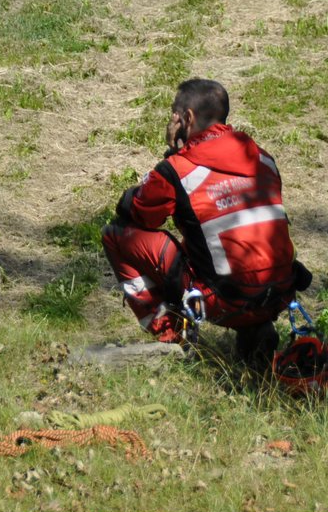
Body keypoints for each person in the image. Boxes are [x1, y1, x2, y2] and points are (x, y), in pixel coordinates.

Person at [101, 78, 310, 365]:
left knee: (117, 234)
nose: (172, 120)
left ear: (187, 117)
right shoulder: (263, 159)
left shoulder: (178, 169)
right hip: (279, 294)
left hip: (224, 301)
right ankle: (255, 332)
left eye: (174, 114)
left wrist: (173, 153)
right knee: (219, 244)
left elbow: (139, 213)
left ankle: (172, 337)